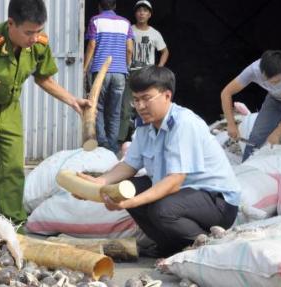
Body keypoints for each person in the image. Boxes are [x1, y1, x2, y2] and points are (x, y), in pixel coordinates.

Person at [79, 66, 240, 257]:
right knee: (125, 188)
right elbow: (128, 165)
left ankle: (208, 245)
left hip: (216, 203)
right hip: (183, 195)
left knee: (161, 209)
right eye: (136, 100)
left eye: (147, 98)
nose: (140, 106)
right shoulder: (144, 126)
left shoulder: (183, 123)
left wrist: (131, 202)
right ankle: (170, 248)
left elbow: (174, 181)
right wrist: (99, 183)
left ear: (167, 95)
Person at [0, 0, 90, 228]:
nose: (35, 38)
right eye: (29, 32)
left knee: (13, 169)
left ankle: (14, 225)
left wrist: (72, 100)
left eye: (39, 31)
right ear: (11, 24)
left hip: (10, 109)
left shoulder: (37, 42)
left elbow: (43, 78)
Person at [221, 50, 281, 162]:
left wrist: (278, 132)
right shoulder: (253, 70)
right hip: (274, 101)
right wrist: (231, 124)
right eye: (268, 80)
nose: (272, 84)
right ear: (262, 71)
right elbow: (226, 93)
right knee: (256, 136)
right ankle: (246, 169)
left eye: (276, 81)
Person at [84, 0, 134, 154]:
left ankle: (102, 143)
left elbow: (92, 45)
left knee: (97, 107)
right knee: (115, 110)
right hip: (120, 72)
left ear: (99, 6)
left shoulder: (96, 20)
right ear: (115, 6)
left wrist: (84, 67)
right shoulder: (126, 23)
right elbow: (130, 49)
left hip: (100, 70)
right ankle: (112, 146)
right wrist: (125, 66)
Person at [119, 0, 169, 144]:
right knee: (126, 109)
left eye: (145, 11)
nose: (142, 13)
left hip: (147, 77)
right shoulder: (129, 30)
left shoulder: (154, 33)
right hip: (130, 75)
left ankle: (144, 139)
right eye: (139, 10)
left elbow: (165, 51)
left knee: (147, 108)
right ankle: (121, 140)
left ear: (150, 14)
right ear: (135, 13)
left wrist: (159, 68)